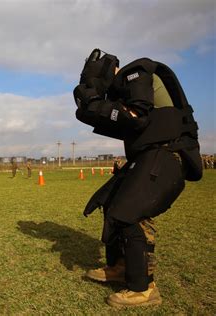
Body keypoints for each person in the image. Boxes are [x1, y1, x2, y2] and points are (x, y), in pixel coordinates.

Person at [73, 48, 202, 307]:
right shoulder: (124, 92)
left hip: (169, 153)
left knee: (127, 211)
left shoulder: (136, 72)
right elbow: (122, 123)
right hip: (149, 155)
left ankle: (143, 289)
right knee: (109, 202)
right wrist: (89, 111)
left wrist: (96, 104)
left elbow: (136, 118)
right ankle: (121, 266)